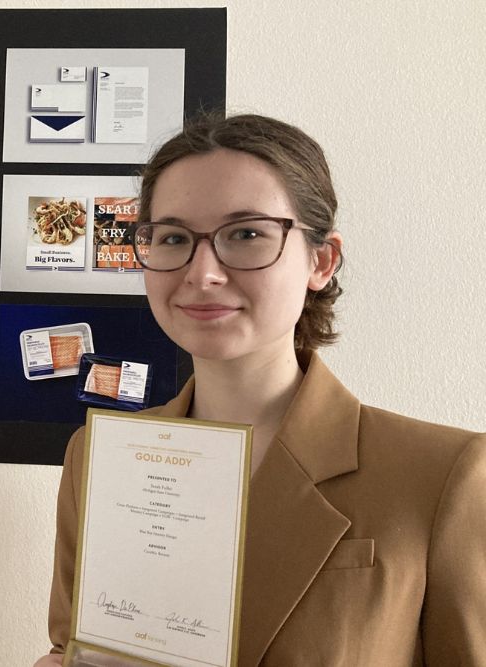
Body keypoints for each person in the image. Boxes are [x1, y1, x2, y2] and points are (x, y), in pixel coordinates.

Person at [34, 113, 485, 666]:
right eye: (174, 237)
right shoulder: (99, 455)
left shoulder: (443, 474)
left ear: (321, 260)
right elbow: (71, 645)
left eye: (245, 234)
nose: (202, 273)